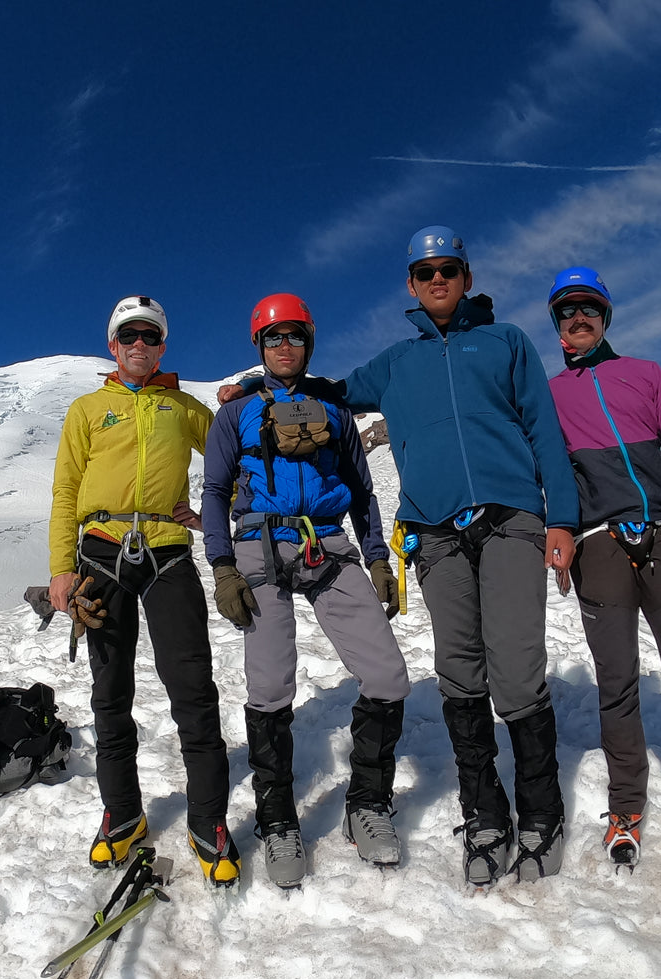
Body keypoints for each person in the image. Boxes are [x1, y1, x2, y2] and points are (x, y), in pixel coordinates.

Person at [219, 227, 580, 886]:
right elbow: (326, 389)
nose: (437, 280)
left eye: (448, 268)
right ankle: (486, 813)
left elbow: (544, 429)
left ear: (466, 277)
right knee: (459, 669)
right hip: (435, 532)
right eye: (425, 271)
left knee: (518, 666)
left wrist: (562, 519)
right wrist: (252, 383)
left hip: (511, 518)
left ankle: (542, 812)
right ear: (412, 285)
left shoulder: (507, 343)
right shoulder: (394, 363)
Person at [201, 293, 411, 889]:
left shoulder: (334, 411)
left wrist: (377, 558)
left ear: (309, 342)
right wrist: (221, 566)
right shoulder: (234, 413)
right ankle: (276, 819)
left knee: (389, 676)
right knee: (270, 684)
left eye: (293, 336)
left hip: (329, 545)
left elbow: (363, 491)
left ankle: (368, 803)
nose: (283, 346)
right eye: (272, 339)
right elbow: (214, 492)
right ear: (259, 348)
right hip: (259, 550)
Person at [545, 267, 661, 867]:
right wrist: (562, 534)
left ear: (605, 317)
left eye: (589, 309)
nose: (579, 319)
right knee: (617, 685)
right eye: (567, 312)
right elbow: (550, 471)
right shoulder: (551, 395)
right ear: (557, 326)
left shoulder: (646, 375)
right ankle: (626, 807)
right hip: (599, 548)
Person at [48, 295, 239, 885]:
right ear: (113, 345)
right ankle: (123, 814)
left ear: (162, 346)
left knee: (192, 686)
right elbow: (65, 491)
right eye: (128, 335)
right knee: (110, 693)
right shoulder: (87, 409)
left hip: (167, 553)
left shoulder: (184, 407)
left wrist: (213, 511)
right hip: (100, 554)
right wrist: (60, 568)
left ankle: (207, 818)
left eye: (149, 336)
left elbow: (234, 460)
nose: (139, 344)